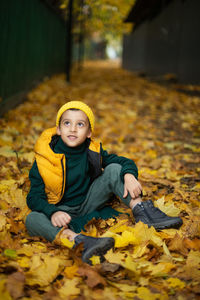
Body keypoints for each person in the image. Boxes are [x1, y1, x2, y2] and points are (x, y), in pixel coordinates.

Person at [25, 101, 182, 264]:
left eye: (80, 124)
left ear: (88, 132)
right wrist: (53, 212)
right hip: (60, 212)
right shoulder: (44, 159)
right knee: (32, 218)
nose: (72, 129)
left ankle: (142, 211)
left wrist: (129, 174)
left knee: (114, 168)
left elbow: (121, 161)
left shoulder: (92, 151)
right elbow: (34, 197)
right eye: (67, 123)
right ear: (58, 129)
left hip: (88, 202)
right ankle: (79, 241)